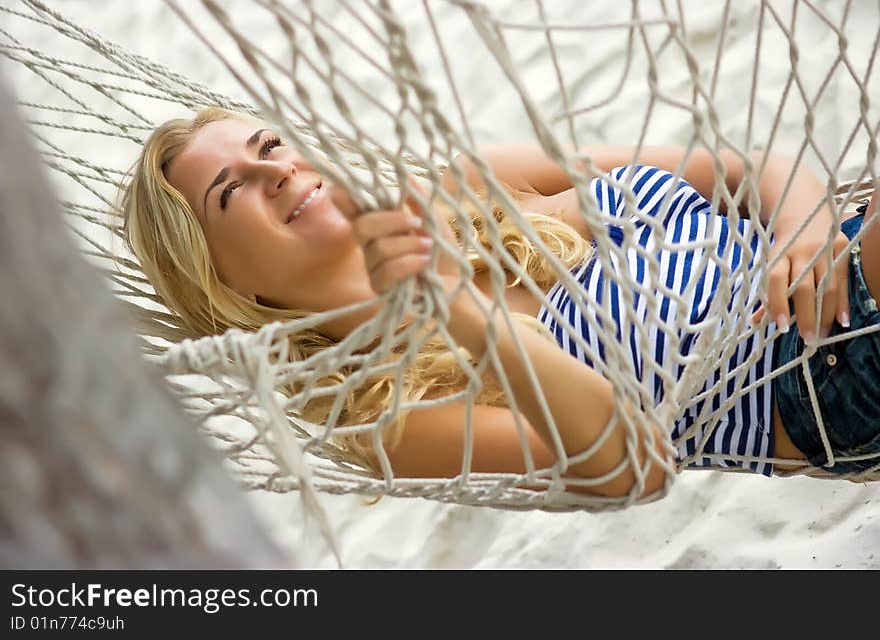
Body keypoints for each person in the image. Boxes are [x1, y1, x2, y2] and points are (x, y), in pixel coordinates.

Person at [121, 106, 880, 498]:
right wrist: (457, 310)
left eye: (269, 146)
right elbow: (628, 462)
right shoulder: (390, 416)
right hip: (813, 380)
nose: (275, 173)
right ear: (228, 284)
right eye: (233, 191)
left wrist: (807, 234)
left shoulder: (474, 182)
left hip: (840, 253)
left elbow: (743, 169)